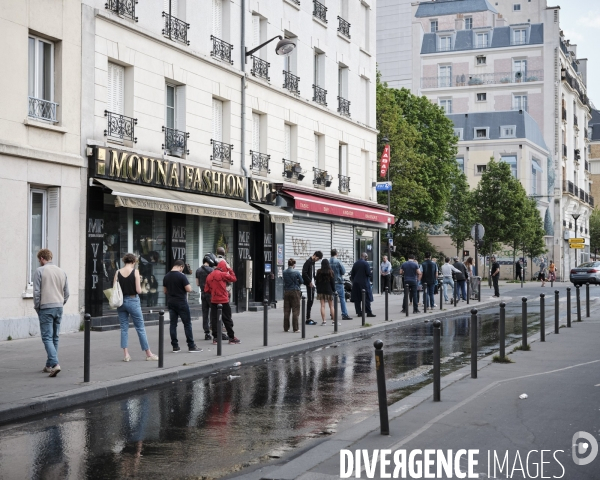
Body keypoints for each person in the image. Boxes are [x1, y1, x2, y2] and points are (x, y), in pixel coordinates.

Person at [115, 254, 159, 362]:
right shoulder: (135, 272)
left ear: (124, 261)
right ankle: (148, 354)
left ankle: (126, 355)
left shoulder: (117, 272)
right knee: (140, 328)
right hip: (133, 300)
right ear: (134, 262)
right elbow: (139, 290)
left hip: (121, 302)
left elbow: (114, 288)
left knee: (124, 328)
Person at [33, 249, 69, 377]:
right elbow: (67, 293)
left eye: (39, 260)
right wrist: (60, 303)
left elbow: (36, 292)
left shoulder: (40, 271)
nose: (39, 262)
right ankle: (49, 365)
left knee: (47, 337)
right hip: (59, 307)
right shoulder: (61, 271)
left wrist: (37, 307)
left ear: (42, 258)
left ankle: (55, 364)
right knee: (55, 337)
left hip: (46, 307)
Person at [163, 260, 202, 353]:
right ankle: (191, 346)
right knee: (187, 324)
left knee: (173, 324)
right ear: (181, 266)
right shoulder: (182, 276)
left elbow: (165, 291)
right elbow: (188, 289)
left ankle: (175, 346)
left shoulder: (166, 276)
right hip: (181, 302)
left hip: (171, 302)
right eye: (182, 268)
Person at [205, 259, 241, 344]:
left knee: (214, 319)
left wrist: (214, 292)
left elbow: (206, 289)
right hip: (223, 300)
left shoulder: (209, 275)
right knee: (227, 319)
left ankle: (216, 338)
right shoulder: (222, 274)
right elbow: (234, 278)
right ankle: (231, 337)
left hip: (214, 300)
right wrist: (230, 269)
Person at [195, 253, 217, 340]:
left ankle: (207, 333)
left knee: (205, 313)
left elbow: (197, 283)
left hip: (203, 293)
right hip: (211, 294)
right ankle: (215, 330)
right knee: (214, 312)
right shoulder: (212, 270)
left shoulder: (198, 270)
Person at [350, 253, 375, 317]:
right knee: (366, 298)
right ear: (364, 256)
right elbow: (368, 273)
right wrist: (371, 272)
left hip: (356, 283)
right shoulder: (365, 263)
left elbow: (352, 274)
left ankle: (359, 312)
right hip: (364, 283)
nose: (367, 258)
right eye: (366, 257)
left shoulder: (355, 263)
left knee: (357, 298)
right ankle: (368, 312)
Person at [302, 251, 323, 325]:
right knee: (310, 300)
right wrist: (309, 281)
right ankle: (308, 318)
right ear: (315, 255)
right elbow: (304, 273)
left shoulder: (312, 263)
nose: (317, 260)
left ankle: (309, 317)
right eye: (317, 258)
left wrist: (316, 279)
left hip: (312, 284)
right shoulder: (308, 262)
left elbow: (312, 274)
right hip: (310, 284)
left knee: (311, 301)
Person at [282, 258, 303, 332]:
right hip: (295, 291)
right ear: (294, 264)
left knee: (286, 310)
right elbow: (301, 281)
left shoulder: (284, 272)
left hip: (286, 291)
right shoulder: (296, 272)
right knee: (295, 310)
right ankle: (295, 328)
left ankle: (286, 328)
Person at [330, 249, 352, 320]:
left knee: (333, 299)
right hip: (339, 281)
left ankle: (332, 313)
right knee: (342, 298)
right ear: (336, 253)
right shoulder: (338, 261)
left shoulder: (328, 261)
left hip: (331, 282)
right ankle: (344, 314)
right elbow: (343, 271)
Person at [315, 258, 336, 325]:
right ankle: (334, 321)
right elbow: (332, 283)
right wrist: (334, 290)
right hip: (328, 290)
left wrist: (317, 289)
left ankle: (324, 321)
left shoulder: (318, 272)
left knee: (322, 306)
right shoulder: (331, 272)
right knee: (331, 306)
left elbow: (316, 282)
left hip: (321, 290)